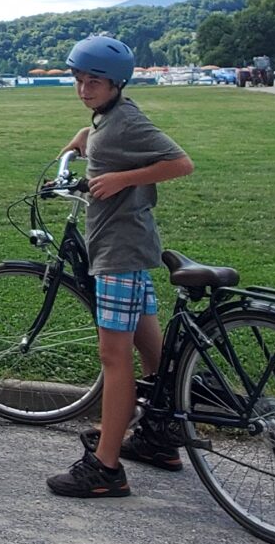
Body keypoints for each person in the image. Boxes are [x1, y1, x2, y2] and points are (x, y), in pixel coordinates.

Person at [48, 33, 194, 498]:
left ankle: (105, 468)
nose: (85, 88)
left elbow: (180, 163)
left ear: (117, 83)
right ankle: (158, 437)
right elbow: (107, 135)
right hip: (125, 247)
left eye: (95, 81)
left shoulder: (128, 120)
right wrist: (83, 139)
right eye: (78, 78)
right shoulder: (108, 118)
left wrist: (120, 179)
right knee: (150, 351)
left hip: (119, 252)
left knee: (114, 358)